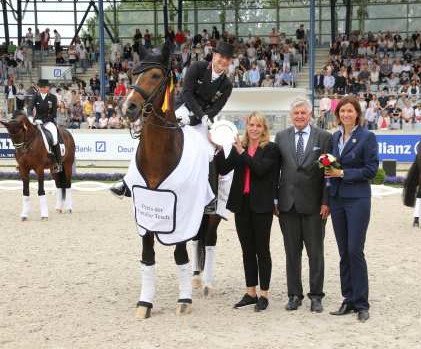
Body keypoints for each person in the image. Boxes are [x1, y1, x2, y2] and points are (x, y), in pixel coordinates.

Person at [109, 41, 234, 209]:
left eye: (227, 59)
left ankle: (208, 196)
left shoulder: (227, 85)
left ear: (230, 61)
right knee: (148, 137)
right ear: (214, 55)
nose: (223, 61)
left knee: (208, 151)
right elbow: (187, 93)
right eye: (220, 56)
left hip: (201, 121)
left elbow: (217, 107)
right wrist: (197, 114)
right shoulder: (197, 67)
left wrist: (201, 118)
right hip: (181, 108)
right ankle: (127, 182)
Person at [214, 112, 280, 312]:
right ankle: (251, 292)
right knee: (247, 250)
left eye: (258, 126)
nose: (254, 129)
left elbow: (260, 170)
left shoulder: (271, 149)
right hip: (241, 205)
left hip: (262, 206)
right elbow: (224, 169)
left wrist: (242, 153)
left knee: (263, 250)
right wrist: (219, 148)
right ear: (246, 126)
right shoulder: (238, 147)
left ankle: (264, 294)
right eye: (251, 125)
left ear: (264, 129)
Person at [274, 99, 332, 313]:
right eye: (296, 113)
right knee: (292, 253)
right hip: (287, 205)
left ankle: (316, 296)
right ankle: (294, 295)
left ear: (310, 115)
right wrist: (275, 199)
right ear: (291, 116)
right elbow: (276, 171)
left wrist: (327, 201)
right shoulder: (281, 137)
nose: (299, 116)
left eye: (303, 113)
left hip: (315, 206)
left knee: (315, 254)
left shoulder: (324, 138)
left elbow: (329, 172)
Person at [325, 96, 379, 322]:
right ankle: (348, 298)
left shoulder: (367, 137)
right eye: (342, 111)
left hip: (357, 198)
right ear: (338, 115)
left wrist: (344, 174)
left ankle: (362, 302)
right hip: (337, 199)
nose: (346, 114)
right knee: (343, 252)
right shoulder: (335, 137)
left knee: (355, 250)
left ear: (357, 113)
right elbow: (330, 165)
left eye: (350, 111)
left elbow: (371, 170)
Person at [30, 79, 62, 173]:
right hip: (36, 120)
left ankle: (58, 163)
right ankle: (23, 159)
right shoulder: (35, 96)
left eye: (44, 87)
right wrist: (30, 116)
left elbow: (53, 114)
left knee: (55, 139)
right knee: (26, 133)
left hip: (48, 121)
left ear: (47, 88)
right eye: (40, 87)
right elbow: (30, 107)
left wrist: (43, 121)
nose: (42, 89)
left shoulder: (53, 97)